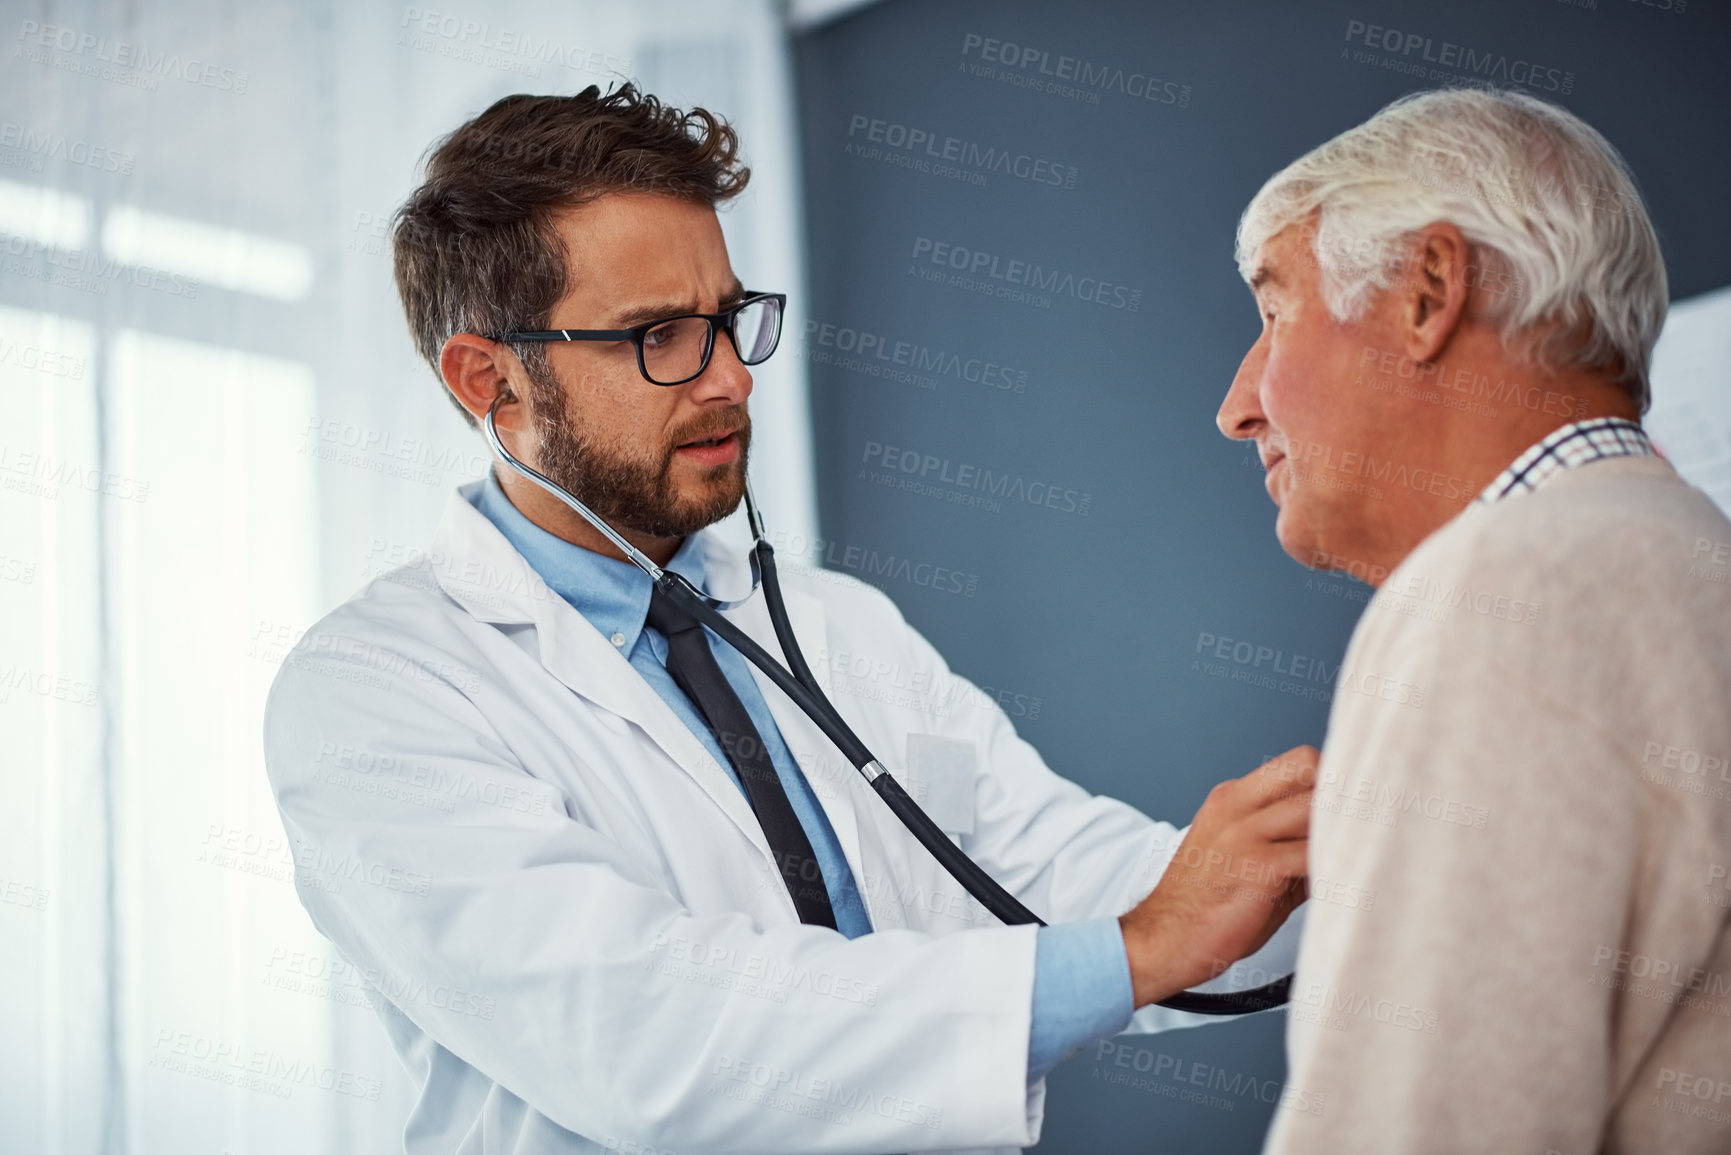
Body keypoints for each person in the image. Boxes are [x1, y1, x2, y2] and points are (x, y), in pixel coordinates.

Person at [262, 84, 1314, 1154]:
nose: (728, 378)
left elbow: (1051, 870)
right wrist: (1141, 951)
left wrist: (1338, 875)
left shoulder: (833, 624)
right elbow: (655, 1042)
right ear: (491, 381)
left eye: (727, 321)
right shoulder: (372, 694)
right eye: (660, 336)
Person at [1216, 87, 1731, 1154]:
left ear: (1428, 290)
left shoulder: (1505, 594)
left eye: (1273, 313)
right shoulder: (1690, 560)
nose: (1237, 404)